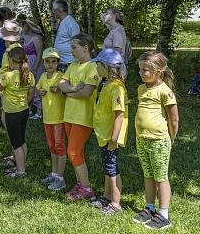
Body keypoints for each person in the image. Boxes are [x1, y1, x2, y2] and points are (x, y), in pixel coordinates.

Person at [133, 51, 179, 230]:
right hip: (142, 139)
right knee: (148, 174)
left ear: (159, 72)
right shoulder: (141, 89)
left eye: (146, 70)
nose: (142, 73)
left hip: (159, 141)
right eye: (140, 69)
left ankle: (164, 214)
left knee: (161, 177)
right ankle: (149, 207)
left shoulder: (165, 91)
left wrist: (171, 137)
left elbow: (173, 118)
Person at [58, 33, 101, 201]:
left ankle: (86, 188)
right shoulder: (73, 65)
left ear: (85, 48)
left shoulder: (92, 67)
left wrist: (69, 91)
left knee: (73, 151)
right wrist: (74, 89)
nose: (72, 51)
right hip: (69, 115)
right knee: (77, 152)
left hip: (83, 117)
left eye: (74, 47)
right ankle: (80, 183)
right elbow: (61, 84)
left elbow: (87, 92)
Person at [89, 48, 129, 215]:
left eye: (98, 65)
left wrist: (114, 138)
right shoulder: (107, 84)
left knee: (112, 169)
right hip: (104, 134)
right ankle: (106, 196)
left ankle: (115, 203)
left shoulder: (117, 88)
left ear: (105, 66)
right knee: (108, 167)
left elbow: (119, 115)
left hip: (110, 136)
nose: (96, 68)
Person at [0, 46, 35, 178]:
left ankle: (21, 171)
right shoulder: (29, 75)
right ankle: (21, 165)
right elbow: (30, 96)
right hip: (24, 111)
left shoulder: (8, 75)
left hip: (12, 114)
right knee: (22, 140)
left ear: (11, 60)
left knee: (16, 143)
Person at [37, 47, 67, 191]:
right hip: (47, 118)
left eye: (53, 61)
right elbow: (39, 88)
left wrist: (60, 90)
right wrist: (41, 91)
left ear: (57, 62)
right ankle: (54, 173)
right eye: (47, 61)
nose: (50, 64)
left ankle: (61, 178)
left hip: (59, 118)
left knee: (60, 146)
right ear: (43, 63)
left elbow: (65, 91)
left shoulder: (61, 76)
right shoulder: (43, 76)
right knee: (52, 146)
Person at [21, 17, 44, 119]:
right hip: (27, 63)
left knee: (37, 86)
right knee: (28, 86)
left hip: (36, 64)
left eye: (25, 24)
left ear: (30, 26)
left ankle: (39, 112)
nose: (23, 26)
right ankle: (29, 109)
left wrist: (35, 67)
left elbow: (39, 54)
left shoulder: (37, 38)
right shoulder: (25, 37)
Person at [52, 0, 80, 72]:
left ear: (58, 10)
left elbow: (77, 42)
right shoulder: (62, 22)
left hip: (70, 63)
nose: (53, 12)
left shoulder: (71, 23)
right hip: (62, 62)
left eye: (54, 10)